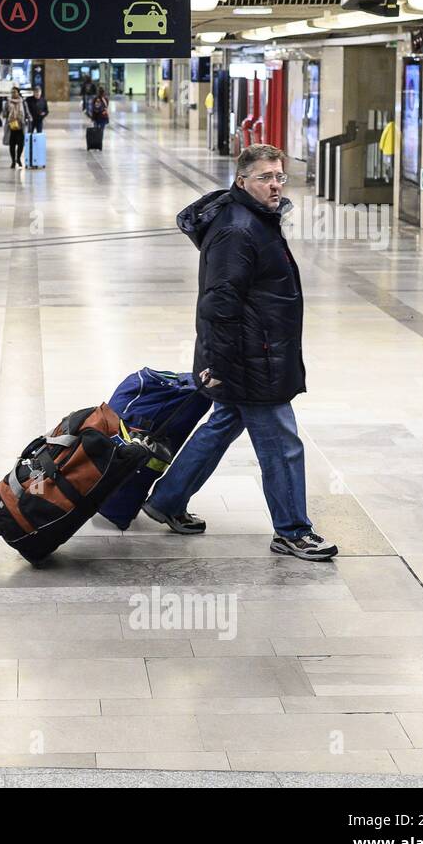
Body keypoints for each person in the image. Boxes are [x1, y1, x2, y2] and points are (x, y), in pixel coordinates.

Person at [142, 144, 339, 562]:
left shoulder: (256, 220)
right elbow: (218, 303)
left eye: (279, 176)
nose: (274, 185)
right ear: (241, 180)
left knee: (221, 427)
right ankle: (292, 530)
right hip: (253, 359)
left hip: (258, 352)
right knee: (283, 445)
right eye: (265, 177)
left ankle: (167, 500)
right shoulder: (238, 230)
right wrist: (215, 362)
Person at [4, 85, 29, 169]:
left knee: (21, 144)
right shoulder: (8, 102)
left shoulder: (23, 102)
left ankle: (18, 158)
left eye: (14, 92)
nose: (13, 94)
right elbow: (4, 113)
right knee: (12, 145)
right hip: (11, 126)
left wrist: (29, 119)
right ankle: (13, 161)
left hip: (21, 126)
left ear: (18, 93)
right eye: (12, 92)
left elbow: (26, 112)